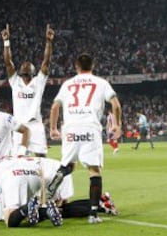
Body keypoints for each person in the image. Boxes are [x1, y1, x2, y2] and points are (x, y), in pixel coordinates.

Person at [48, 52, 122, 224]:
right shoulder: (101, 82)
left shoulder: (67, 84)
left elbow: (54, 107)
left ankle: (49, 192)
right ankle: (93, 214)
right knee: (94, 170)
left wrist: (53, 129)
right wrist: (117, 125)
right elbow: (116, 105)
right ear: (93, 66)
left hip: (70, 128)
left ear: (76, 67)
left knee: (67, 166)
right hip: (90, 127)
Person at [1, 24, 55, 157]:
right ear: (20, 73)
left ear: (32, 73)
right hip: (19, 125)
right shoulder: (15, 81)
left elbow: (46, 62)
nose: (25, 75)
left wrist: (48, 42)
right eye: (24, 73)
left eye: (27, 73)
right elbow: (8, 62)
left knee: (41, 157)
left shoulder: (38, 81)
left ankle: (42, 178)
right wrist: (6, 42)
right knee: (18, 159)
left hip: (35, 124)